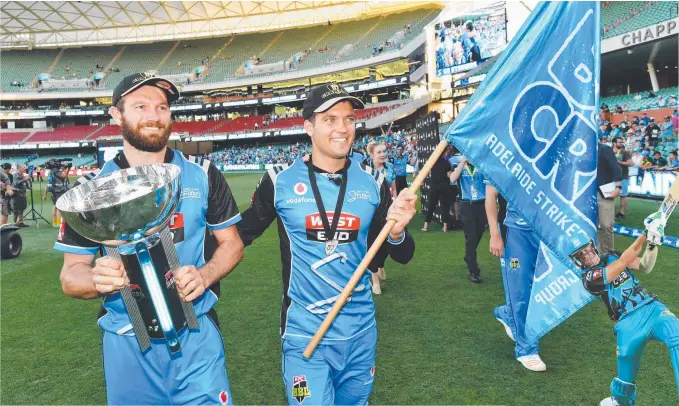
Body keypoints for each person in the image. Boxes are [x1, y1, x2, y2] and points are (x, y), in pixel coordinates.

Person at [54, 73, 244, 405]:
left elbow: (232, 243)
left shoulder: (203, 173)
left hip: (197, 335)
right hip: (127, 341)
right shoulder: (90, 191)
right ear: (116, 114)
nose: (154, 116)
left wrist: (206, 275)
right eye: (140, 106)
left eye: (161, 107)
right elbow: (71, 275)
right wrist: (96, 279)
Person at [237, 83, 417, 405]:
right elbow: (239, 235)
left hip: (360, 334)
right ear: (309, 127)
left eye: (348, 119)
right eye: (330, 119)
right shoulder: (279, 181)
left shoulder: (373, 182)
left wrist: (396, 230)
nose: (342, 128)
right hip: (304, 333)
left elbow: (402, 253)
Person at [570, 214, 678, 406]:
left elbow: (645, 266)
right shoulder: (589, 278)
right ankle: (620, 401)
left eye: (587, 250)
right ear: (579, 262)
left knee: (676, 334)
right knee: (623, 383)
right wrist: (646, 233)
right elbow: (621, 265)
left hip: (652, 309)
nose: (587, 255)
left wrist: (652, 244)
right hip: (627, 323)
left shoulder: (611, 255)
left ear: (592, 246)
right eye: (582, 255)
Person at [485, 184, 547, 372]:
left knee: (540, 286)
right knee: (519, 288)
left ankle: (507, 313)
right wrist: (494, 234)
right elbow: (490, 195)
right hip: (515, 235)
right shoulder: (507, 156)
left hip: (545, 232)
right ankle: (526, 350)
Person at [364, 141, 396, 295]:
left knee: (387, 244)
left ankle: (381, 264)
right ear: (371, 155)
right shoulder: (365, 171)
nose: (383, 154)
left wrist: (396, 205)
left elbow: (394, 189)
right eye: (379, 152)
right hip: (371, 212)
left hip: (389, 210)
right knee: (372, 246)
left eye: (384, 151)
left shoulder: (390, 168)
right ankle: (375, 280)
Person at [449, 156, 487, 283]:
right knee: (470, 238)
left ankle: (468, 256)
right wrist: (463, 162)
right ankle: (473, 271)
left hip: (481, 205)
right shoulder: (459, 166)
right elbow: (452, 178)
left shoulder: (481, 165)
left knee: (478, 235)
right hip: (466, 205)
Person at [597, 142, 622, 253]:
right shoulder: (580, 148)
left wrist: (618, 187)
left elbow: (615, 167)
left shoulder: (604, 148)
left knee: (606, 224)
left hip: (603, 191)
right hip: (585, 192)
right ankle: (597, 252)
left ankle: (608, 253)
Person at [421, 151, 452, 233]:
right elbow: (449, 175)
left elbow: (426, 172)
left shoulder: (432, 162)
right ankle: (445, 227)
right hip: (445, 186)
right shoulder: (447, 162)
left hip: (434, 186)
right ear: (444, 153)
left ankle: (425, 226)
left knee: (431, 206)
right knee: (445, 207)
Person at [43, 162, 69, 227]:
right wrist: (68, 169)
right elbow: (63, 176)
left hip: (53, 190)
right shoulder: (57, 172)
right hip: (59, 190)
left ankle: (55, 223)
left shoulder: (50, 172)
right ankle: (59, 223)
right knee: (59, 208)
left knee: (54, 206)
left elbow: (47, 184)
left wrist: (45, 194)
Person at [612, 137, 632, 220]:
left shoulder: (625, 152)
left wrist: (619, 162)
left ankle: (621, 213)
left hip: (622, 177)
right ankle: (610, 212)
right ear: (614, 143)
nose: (621, 143)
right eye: (619, 142)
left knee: (623, 196)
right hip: (610, 177)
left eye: (621, 142)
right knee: (610, 195)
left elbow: (630, 163)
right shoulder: (608, 151)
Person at [447, 145, 463, 228]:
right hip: (463, 183)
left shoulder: (450, 159)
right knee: (462, 200)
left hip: (453, 183)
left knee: (454, 201)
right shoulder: (463, 158)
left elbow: (449, 172)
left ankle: (457, 218)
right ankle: (462, 217)